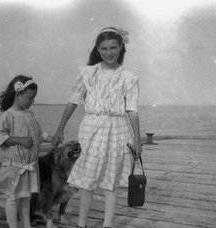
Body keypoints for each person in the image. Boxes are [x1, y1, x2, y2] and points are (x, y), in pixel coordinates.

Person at [52, 27, 142, 228]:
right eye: (104, 48)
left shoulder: (129, 78)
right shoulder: (89, 73)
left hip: (118, 129)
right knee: (87, 178)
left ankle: (107, 224)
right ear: (98, 50)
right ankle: (82, 224)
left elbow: (133, 110)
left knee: (112, 178)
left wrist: (137, 139)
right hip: (91, 128)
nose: (109, 52)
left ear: (121, 48)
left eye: (113, 47)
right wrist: (59, 129)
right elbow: (74, 101)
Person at [0, 75, 52, 228]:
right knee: (13, 197)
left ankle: (26, 224)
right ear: (18, 95)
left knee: (26, 197)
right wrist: (20, 140)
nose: (32, 101)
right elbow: (1, 137)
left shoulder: (29, 115)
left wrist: (51, 138)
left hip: (29, 165)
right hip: (15, 166)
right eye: (30, 98)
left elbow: (37, 134)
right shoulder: (7, 116)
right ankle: (13, 225)